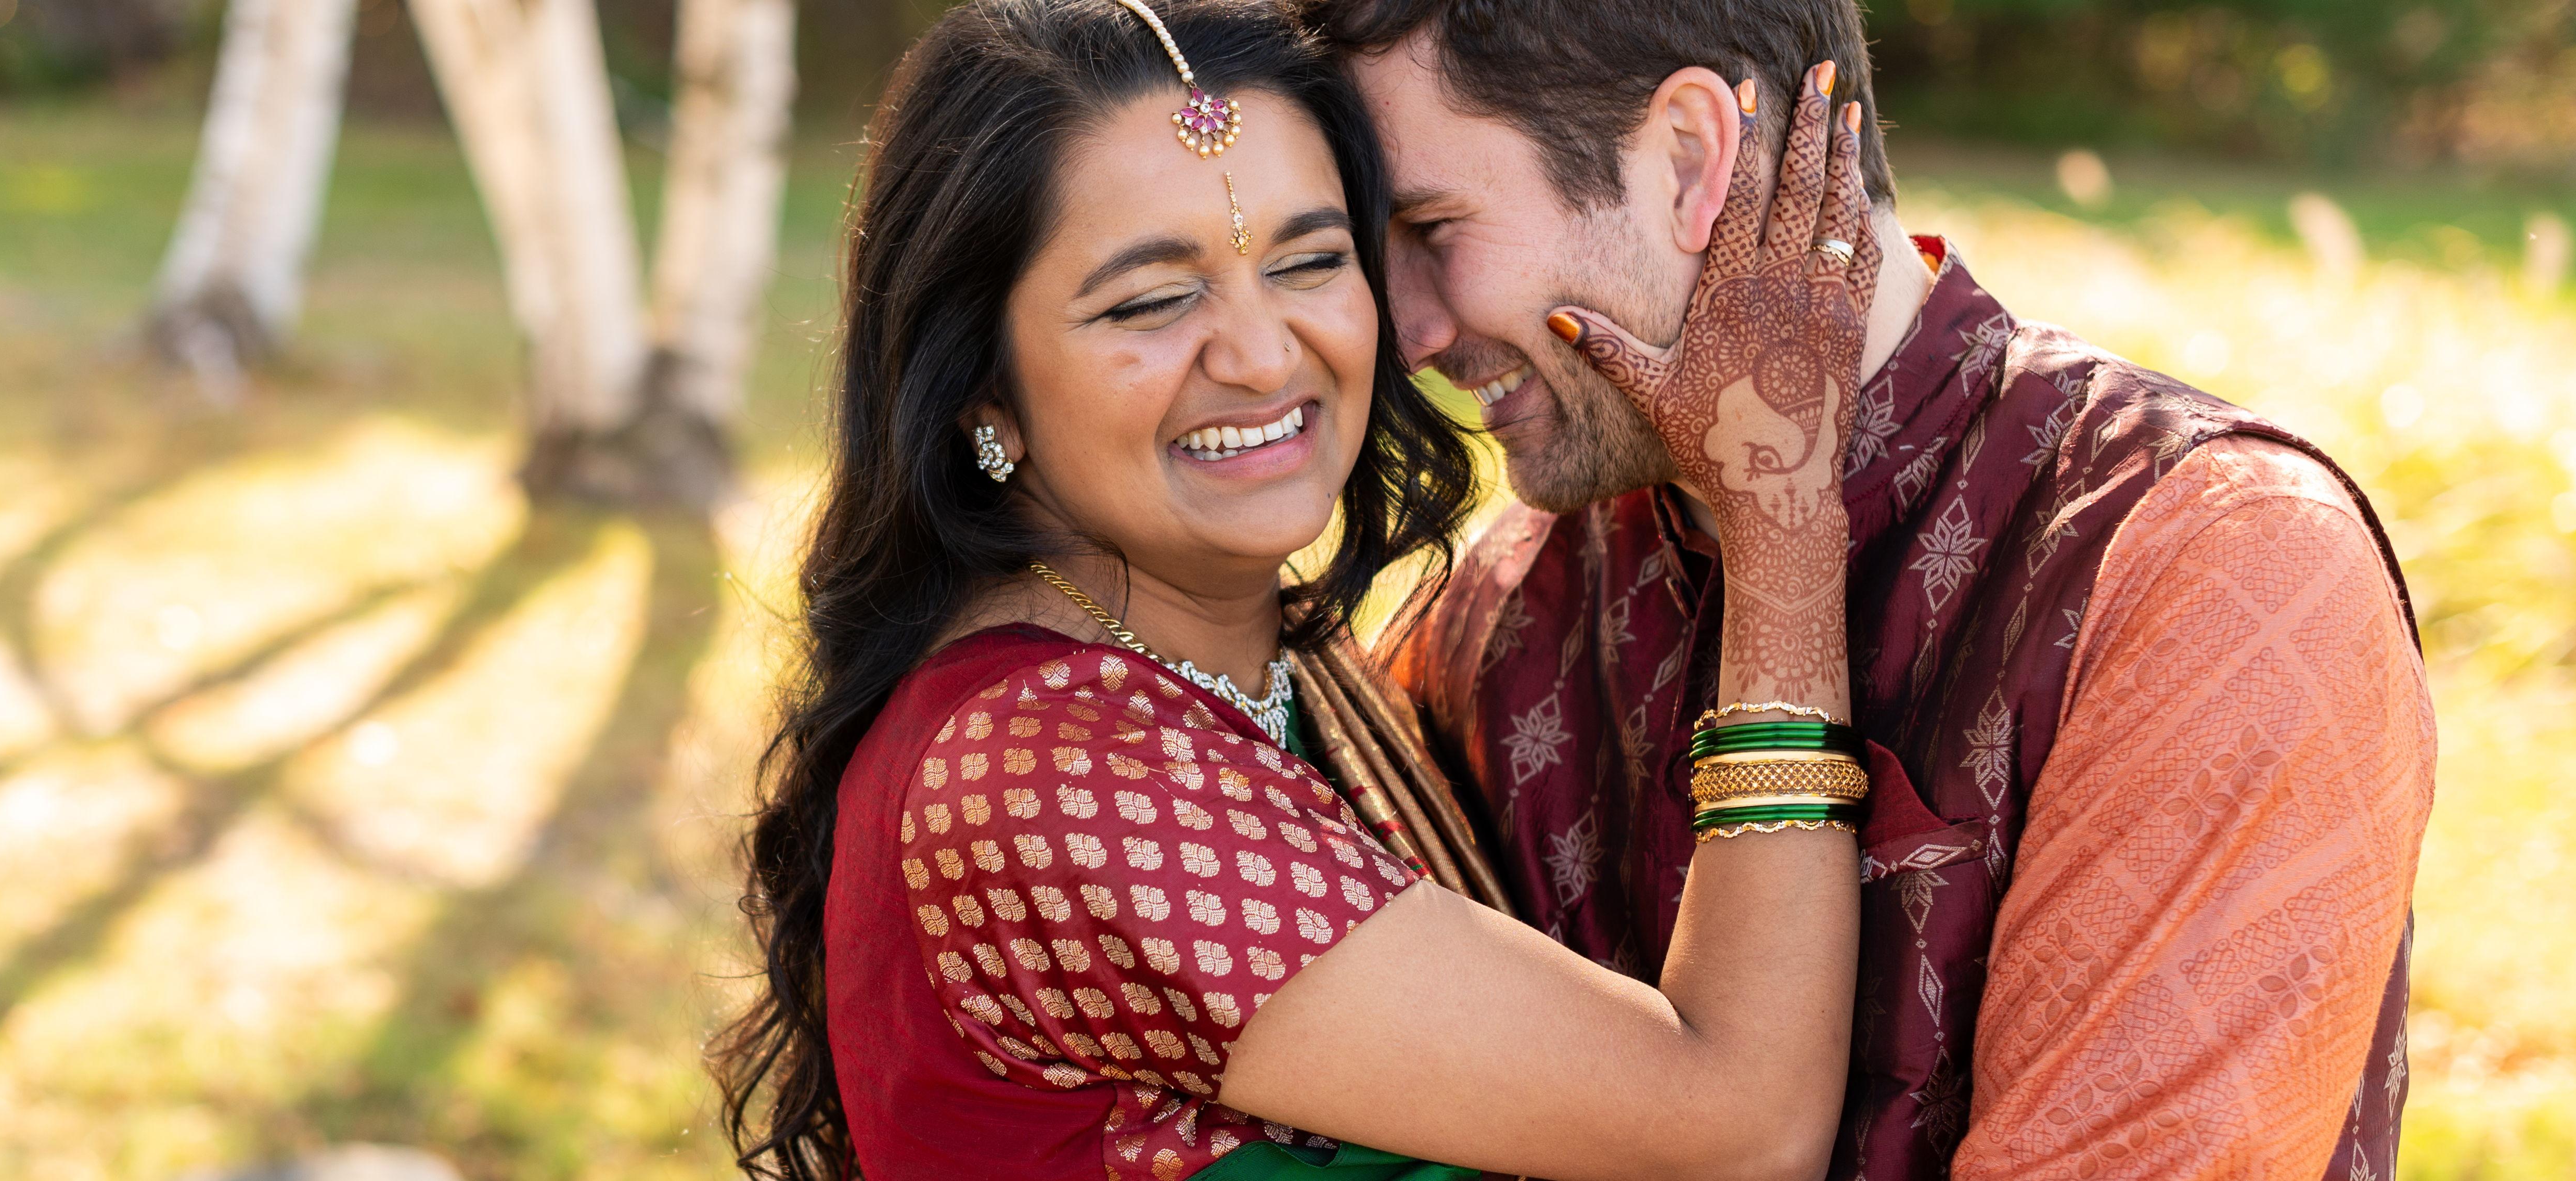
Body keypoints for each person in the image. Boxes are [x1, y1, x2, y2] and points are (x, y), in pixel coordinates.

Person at [710, 0, 1905, 1176]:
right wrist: (1779, 516)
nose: (1265, 355)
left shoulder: (1269, 660)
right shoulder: (1042, 774)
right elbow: (1739, 1129)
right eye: (1151, 300)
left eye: (1313, 261)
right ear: (982, 388)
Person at [1304, 1, 2439, 1177]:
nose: (1408, 329)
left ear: (1690, 159)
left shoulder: (2204, 563)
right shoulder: (1501, 599)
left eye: (1430, 227)